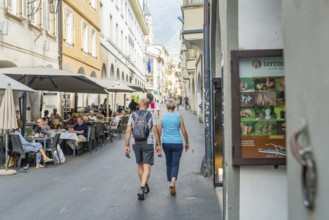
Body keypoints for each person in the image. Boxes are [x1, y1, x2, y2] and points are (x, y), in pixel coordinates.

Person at [124, 98, 162, 200]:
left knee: (140, 165)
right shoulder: (151, 115)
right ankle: (142, 187)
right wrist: (158, 143)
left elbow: (128, 131)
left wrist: (126, 145)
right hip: (147, 142)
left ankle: (144, 184)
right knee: (147, 166)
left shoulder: (132, 115)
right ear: (148, 105)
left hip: (135, 142)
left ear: (140, 105)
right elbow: (154, 129)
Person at [157, 99, 189, 196]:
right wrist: (187, 142)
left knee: (169, 162)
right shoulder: (179, 116)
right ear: (174, 107)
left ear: (167, 107)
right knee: (175, 163)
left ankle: (170, 181)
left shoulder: (162, 116)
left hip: (166, 142)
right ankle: (173, 181)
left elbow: (158, 131)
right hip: (177, 143)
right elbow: (184, 131)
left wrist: (157, 145)